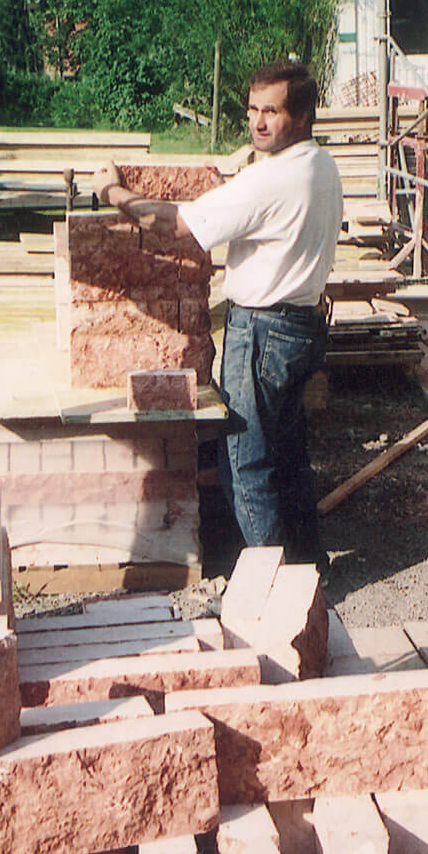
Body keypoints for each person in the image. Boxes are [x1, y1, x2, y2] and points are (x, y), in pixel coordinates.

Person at [93, 60, 343, 574]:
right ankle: (308, 571)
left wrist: (112, 193)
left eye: (270, 112)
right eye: (252, 109)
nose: (257, 122)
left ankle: (272, 588)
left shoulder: (269, 181)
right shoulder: (322, 165)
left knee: (246, 463)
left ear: (301, 117)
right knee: (288, 458)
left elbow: (172, 223)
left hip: (264, 333)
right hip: (302, 327)